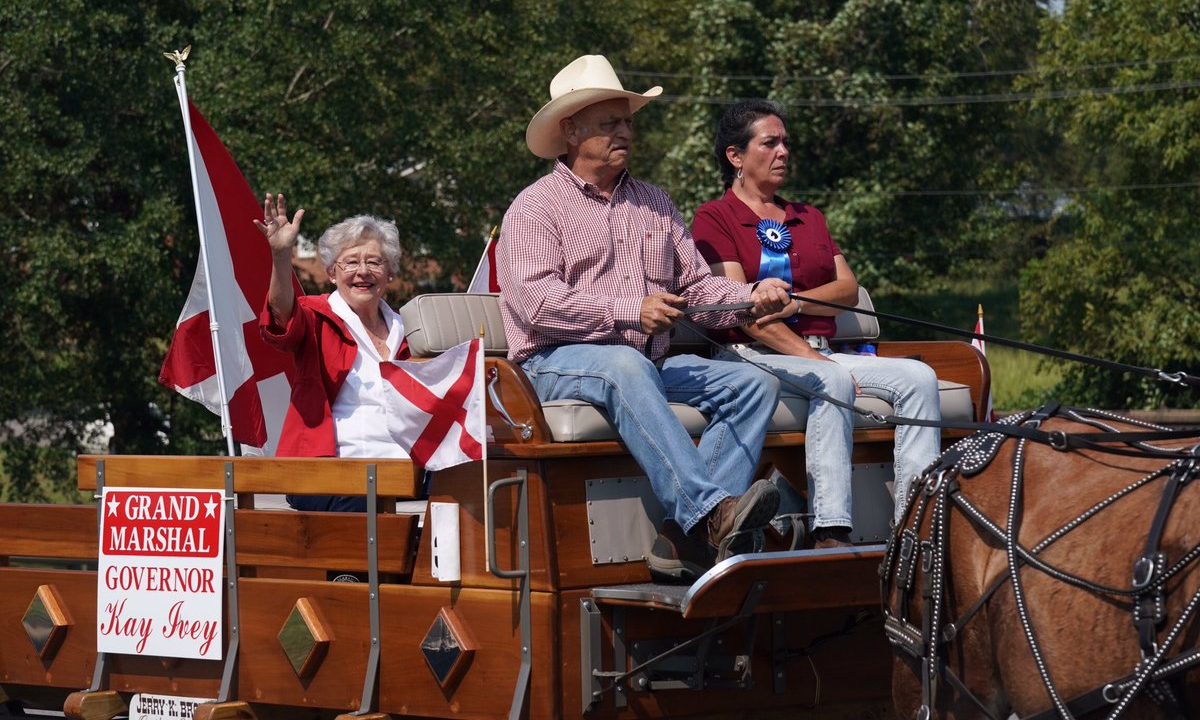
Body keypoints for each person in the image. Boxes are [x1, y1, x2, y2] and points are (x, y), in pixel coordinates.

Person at [498, 55, 794, 582]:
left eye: (628, 121)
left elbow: (697, 288)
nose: (625, 132)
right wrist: (629, 310)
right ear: (570, 131)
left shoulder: (655, 203)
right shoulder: (534, 207)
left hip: (640, 363)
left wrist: (752, 297)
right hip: (549, 365)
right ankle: (709, 512)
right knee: (621, 364)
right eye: (610, 122)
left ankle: (686, 534)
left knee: (753, 383)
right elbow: (534, 304)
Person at [691, 99, 942, 543]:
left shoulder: (809, 218)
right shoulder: (715, 218)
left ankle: (913, 526)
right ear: (736, 156)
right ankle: (832, 526)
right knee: (834, 382)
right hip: (749, 357)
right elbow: (741, 310)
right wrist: (813, 357)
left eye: (786, 142)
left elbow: (847, 290)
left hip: (820, 353)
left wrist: (800, 303)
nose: (783, 151)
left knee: (919, 378)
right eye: (770, 143)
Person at [257, 193, 410, 512]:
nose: (363, 271)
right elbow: (281, 318)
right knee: (365, 499)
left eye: (374, 262)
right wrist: (281, 257)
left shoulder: (408, 328)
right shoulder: (315, 315)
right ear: (332, 273)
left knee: (471, 483)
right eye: (351, 262)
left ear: (390, 273)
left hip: (403, 470)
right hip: (328, 473)